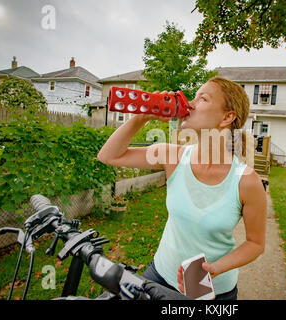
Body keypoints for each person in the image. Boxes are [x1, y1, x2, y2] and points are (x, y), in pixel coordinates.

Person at [97, 76, 267, 300]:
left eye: (203, 98)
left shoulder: (246, 180)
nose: (192, 103)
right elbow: (109, 156)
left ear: (227, 117)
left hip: (209, 288)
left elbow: (255, 243)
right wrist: (144, 115)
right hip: (159, 274)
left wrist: (215, 268)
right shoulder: (173, 156)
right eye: (194, 97)